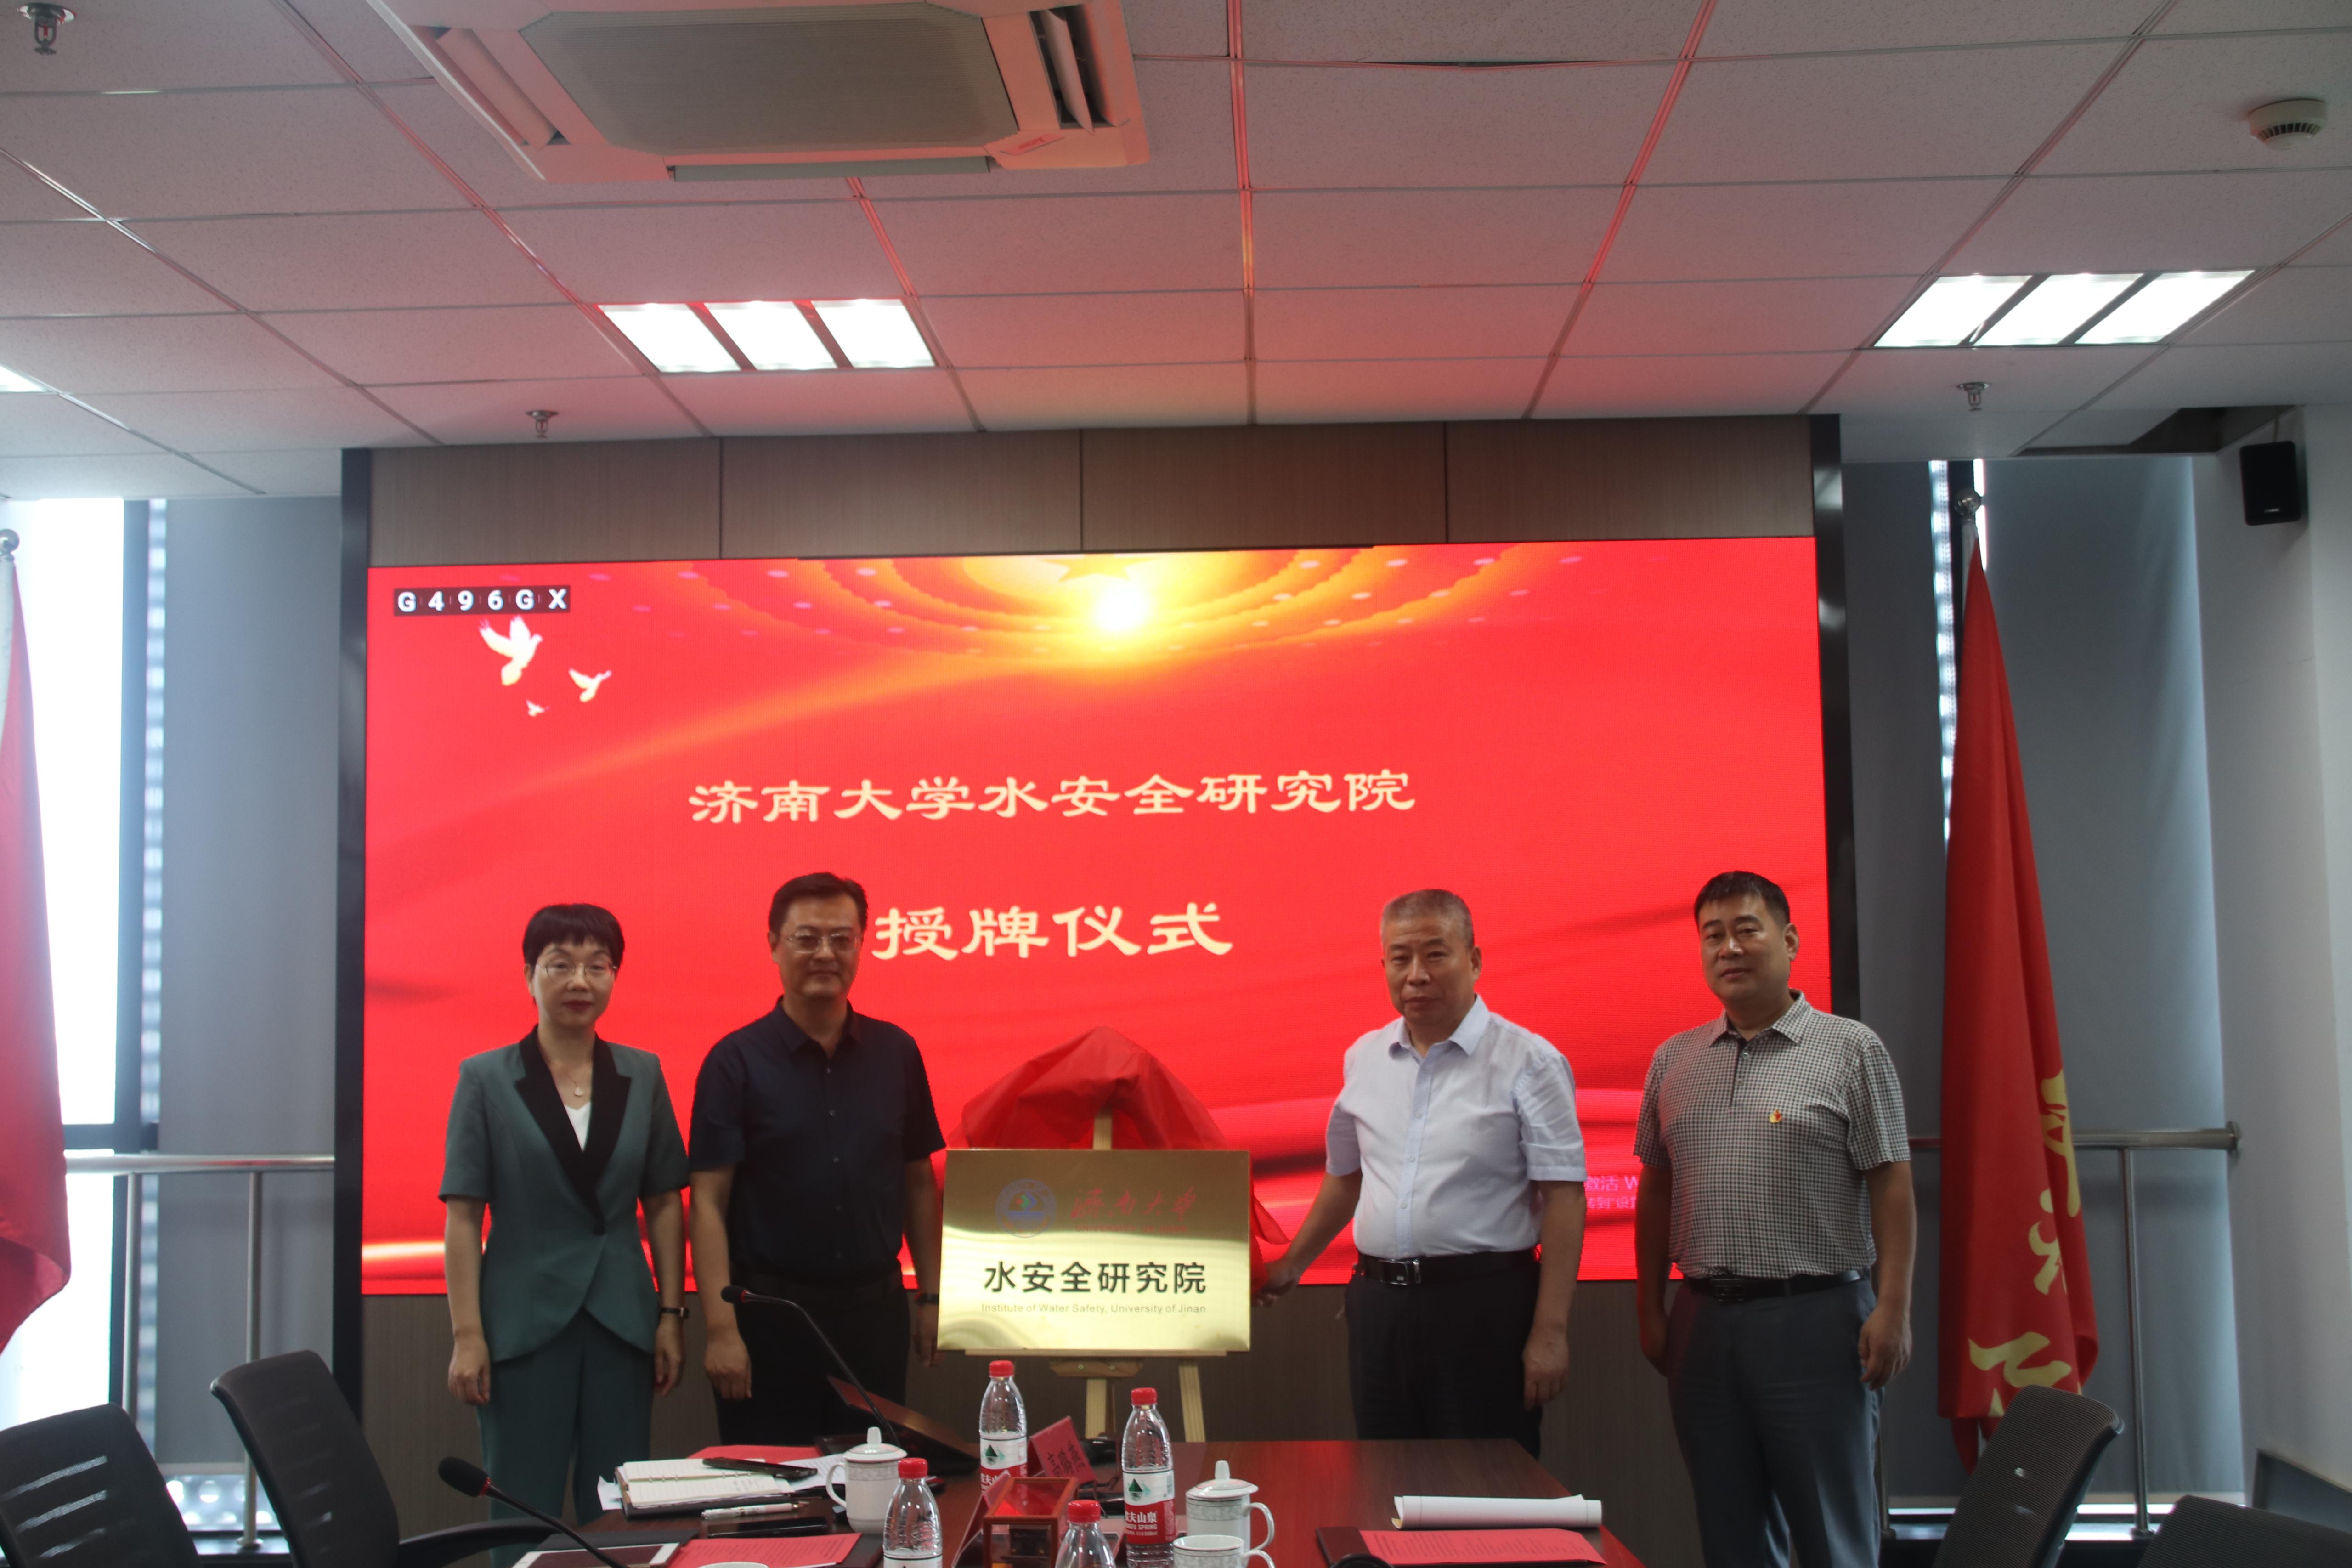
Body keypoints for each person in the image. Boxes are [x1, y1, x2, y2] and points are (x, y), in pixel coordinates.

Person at [1634, 870, 1916, 1568]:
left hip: (1816, 1320)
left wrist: (1893, 1307)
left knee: (1831, 1533)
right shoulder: (1674, 1059)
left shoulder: (1851, 1048)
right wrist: (1650, 1306)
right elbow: (1656, 1189)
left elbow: (1891, 1183)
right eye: (1713, 935)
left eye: (1746, 929)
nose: (1729, 947)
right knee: (1730, 1534)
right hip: (1704, 1324)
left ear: (1788, 940)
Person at [1257, 888, 1587, 1456]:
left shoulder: (1529, 1061)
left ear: (1473, 960)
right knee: (1387, 1480)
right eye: (1400, 957)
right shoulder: (1363, 1057)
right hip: (1378, 1306)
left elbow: (1564, 1197)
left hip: (1483, 1306)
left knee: (1485, 1486)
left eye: (1435, 954)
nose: (1416, 974)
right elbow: (1346, 1176)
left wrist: (1550, 1330)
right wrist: (1292, 1262)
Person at [441, 903, 689, 1536]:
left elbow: (664, 1201)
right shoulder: (485, 1078)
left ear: (614, 976)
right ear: (529, 975)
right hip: (521, 1324)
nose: (580, 981)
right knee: (522, 1506)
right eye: (560, 965)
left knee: (621, 1513)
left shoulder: (642, 1072)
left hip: (621, 1320)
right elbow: (464, 1216)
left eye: (597, 966)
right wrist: (468, 1334)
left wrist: (670, 1313)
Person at [690, 871, 947, 1443]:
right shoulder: (734, 1061)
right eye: (806, 938)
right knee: (771, 1484)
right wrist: (721, 1329)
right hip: (767, 1320)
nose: (825, 953)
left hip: (874, 1317)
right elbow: (707, 1202)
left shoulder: (896, 1052)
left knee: (872, 1479)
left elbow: (917, 1182)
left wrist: (931, 1297)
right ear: (774, 944)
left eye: (841, 938)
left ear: (861, 943)